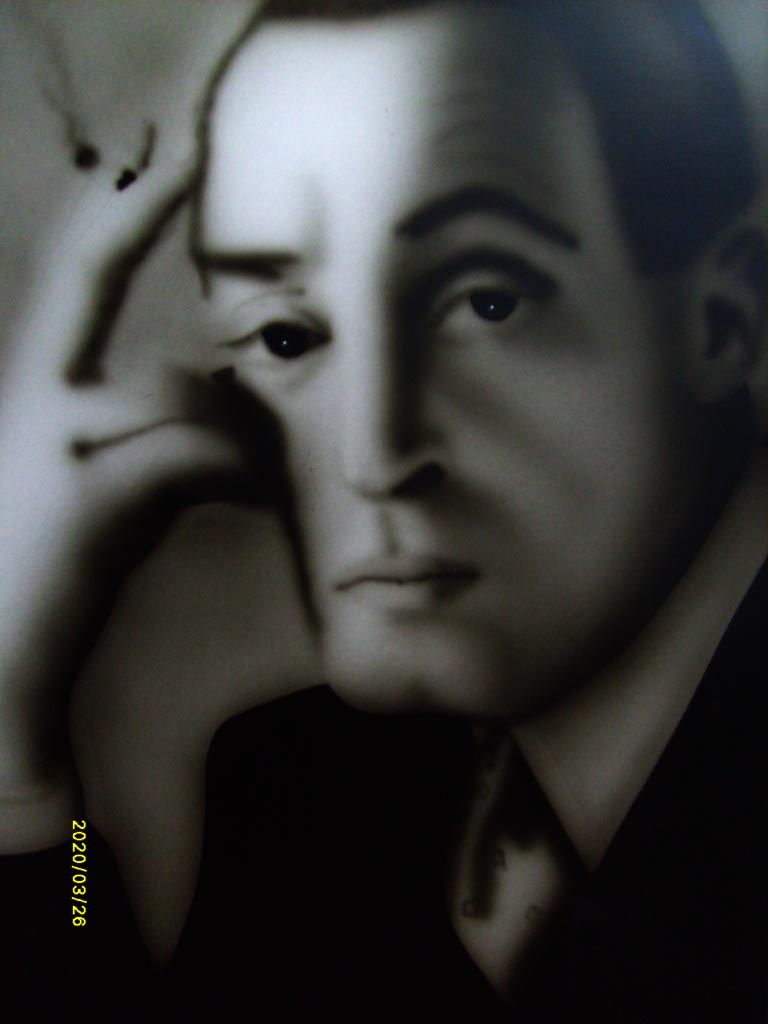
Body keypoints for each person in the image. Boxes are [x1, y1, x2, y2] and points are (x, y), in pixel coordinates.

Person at [2, 0, 766, 1020]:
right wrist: (19, 744)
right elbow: (76, 929)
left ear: (722, 321)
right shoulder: (305, 789)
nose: (371, 456)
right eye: (285, 335)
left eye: (487, 300)